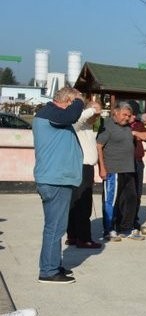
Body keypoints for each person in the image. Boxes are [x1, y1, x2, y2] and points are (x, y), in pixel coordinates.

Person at [32, 87, 84, 284]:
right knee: (55, 227)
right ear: (68, 101)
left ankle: (52, 264)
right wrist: (79, 101)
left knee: (54, 226)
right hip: (55, 180)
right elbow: (71, 115)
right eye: (76, 103)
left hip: (56, 179)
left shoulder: (53, 115)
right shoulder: (52, 112)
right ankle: (48, 271)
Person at [96, 102, 146, 241]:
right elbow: (99, 146)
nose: (127, 118)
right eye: (124, 115)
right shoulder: (108, 126)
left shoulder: (127, 127)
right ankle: (109, 230)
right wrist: (102, 167)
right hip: (113, 170)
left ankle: (126, 228)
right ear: (116, 113)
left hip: (128, 170)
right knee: (111, 201)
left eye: (129, 116)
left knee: (130, 200)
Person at [66, 100, 103, 249]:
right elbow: (79, 118)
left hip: (86, 168)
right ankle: (83, 238)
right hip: (82, 168)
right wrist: (93, 110)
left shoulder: (88, 127)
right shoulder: (78, 124)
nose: (97, 116)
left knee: (77, 203)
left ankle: (74, 235)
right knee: (82, 205)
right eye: (96, 112)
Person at [129, 113, 146, 229]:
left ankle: (134, 218)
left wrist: (135, 133)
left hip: (137, 162)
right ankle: (121, 219)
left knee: (137, 192)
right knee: (126, 193)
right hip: (124, 163)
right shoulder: (119, 125)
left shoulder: (138, 125)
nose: (133, 117)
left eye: (133, 114)